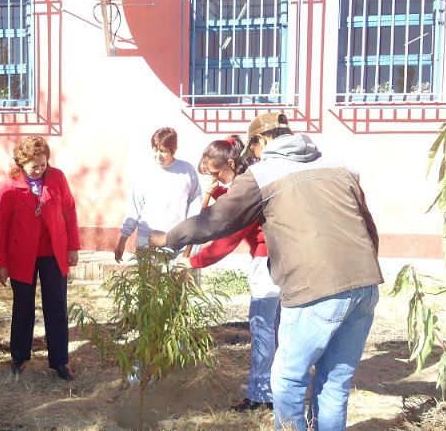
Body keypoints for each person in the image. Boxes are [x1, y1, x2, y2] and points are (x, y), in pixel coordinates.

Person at [150, 112, 382, 431]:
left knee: (288, 380)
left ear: (261, 141)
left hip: (315, 288)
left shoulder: (262, 174)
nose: (253, 155)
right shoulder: (340, 166)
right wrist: (365, 270)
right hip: (365, 284)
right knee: (335, 382)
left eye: (254, 148)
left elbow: (218, 221)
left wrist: (169, 238)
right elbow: (368, 226)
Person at [184, 135, 280, 411]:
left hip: (268, 262)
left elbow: (229, 237)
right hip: (283, 259)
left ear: (230, 163)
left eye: (216, 173)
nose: (215, 178)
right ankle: (273, 388)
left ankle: (261, 395)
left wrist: (193, 262)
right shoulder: (250, 178)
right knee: (275, 327)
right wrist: (217, 193)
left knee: (263, 327)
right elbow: (234, 202)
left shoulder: (247, 185)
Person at [0, 136, 81, 381]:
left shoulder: (57, 178)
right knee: (23, 306)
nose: (40, 170)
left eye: (43, 165)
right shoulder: (10, 186)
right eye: (34, 166)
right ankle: (19, 356)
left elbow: (69, 211)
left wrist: (73, 247)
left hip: (53, 252)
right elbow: (0, 228)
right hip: (22, 255)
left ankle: (60, 361)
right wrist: (1, 263)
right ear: (22, 163)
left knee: (56, 306)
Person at [114, 127, 202, 262]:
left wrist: (191, 236)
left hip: (177, 241)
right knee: (148, 282)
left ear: (173, 150)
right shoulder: (144, 173)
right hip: (147, 241)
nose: (158, 155)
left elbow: (195, 204)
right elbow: (134, 208)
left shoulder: (186, 171)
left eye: (163, 151)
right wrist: (122, 241)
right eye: (155, 150)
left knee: (176, 282)